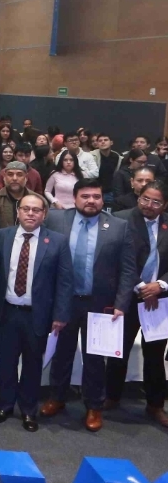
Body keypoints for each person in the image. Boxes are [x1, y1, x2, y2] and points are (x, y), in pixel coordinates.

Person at [41, 178, 136, 432]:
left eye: (96, 196)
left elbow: (128, 269)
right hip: (64, 301)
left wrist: (121, 303)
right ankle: (57, 397)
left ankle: (94, 405)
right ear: (74, 198)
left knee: (94, 358)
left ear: (103, 199)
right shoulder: (56, 220)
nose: (91, 201)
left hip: (101, 304)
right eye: (85, 196)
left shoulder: (118, 227)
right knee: (62, 353)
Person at [0, 194, 72, 432]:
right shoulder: (1, 236)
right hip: (7, 312)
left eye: (36, 210)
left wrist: (60, 315)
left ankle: (28, 410)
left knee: (33, 365)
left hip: (38, 314)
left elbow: (65, 281)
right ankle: (4, 406)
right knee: (6, 363)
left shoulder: (57, 241)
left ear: (44, 214)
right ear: (18, 211)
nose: (31, 213)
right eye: (26, 209)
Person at [109, 182, 168, 427]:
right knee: (118, 350)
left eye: (156, 201)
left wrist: (161, 285)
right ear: (138, 197)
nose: (149, 205)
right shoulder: (121, 220)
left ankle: (155, 405)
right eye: (145, 199)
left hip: (159, 300)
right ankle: (111, 397)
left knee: (155, 355)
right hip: (128, 296)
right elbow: (116, 260)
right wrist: (142, 287)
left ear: (164, 205)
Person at [0, 162, 41, 229]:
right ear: (4, 177)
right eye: (10, 174)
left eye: (19, 175)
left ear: (26, 177)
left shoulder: (38, 200)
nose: (14, 178)